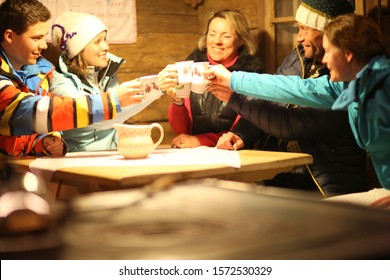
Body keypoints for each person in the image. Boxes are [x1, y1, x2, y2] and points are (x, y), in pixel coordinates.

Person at [206, 14, 390, 208]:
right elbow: (297, 87)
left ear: (348, 55)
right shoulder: (349, 86)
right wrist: (232, 79)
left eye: (328, 52)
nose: (325, 60)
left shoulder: (383, 88)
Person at [0, 0, 140, 156]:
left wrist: (44, 142)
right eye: (36, 38)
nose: (44, 45)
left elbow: (27, 128)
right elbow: (28, 113)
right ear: (10, 36)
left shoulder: (41, 72)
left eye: (44, 37)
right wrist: (110, 101)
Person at [50, 11, 157, 152]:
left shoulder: (107, 75)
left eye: (105, 39)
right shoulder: (61, 84)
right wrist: (156, 87)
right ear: (78, 49)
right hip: (77, 162)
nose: (106, 46)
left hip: (111, 156)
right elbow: (99, 118)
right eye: (97, 41)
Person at [157, 8, 264, 148]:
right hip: (196, 152)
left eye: (226, 36)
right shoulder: (192, 67)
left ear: (241, 41)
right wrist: (178, 101)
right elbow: (182, 130)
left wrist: (202, 141)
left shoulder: (250, 74)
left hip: (236, 152)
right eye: (212, 34)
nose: (217, 41)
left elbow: (242, 131)